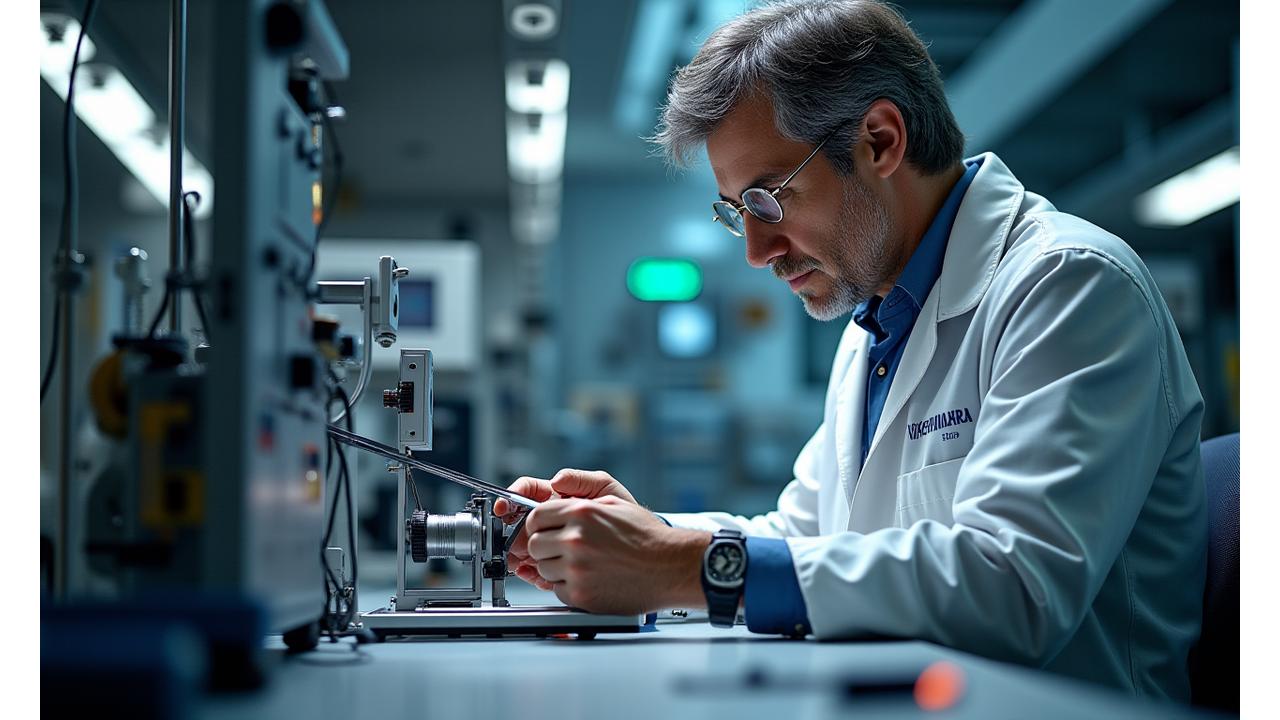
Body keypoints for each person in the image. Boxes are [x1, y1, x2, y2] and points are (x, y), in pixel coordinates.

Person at [493, 0, 1206, 701]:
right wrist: (641, 536)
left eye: (767, 200)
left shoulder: (1068, 285)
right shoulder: (877, 326)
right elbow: (805, 536)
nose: (755, 250)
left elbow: (1013, 586)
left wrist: (680, 565)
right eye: (737, 212)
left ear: (880, 141)